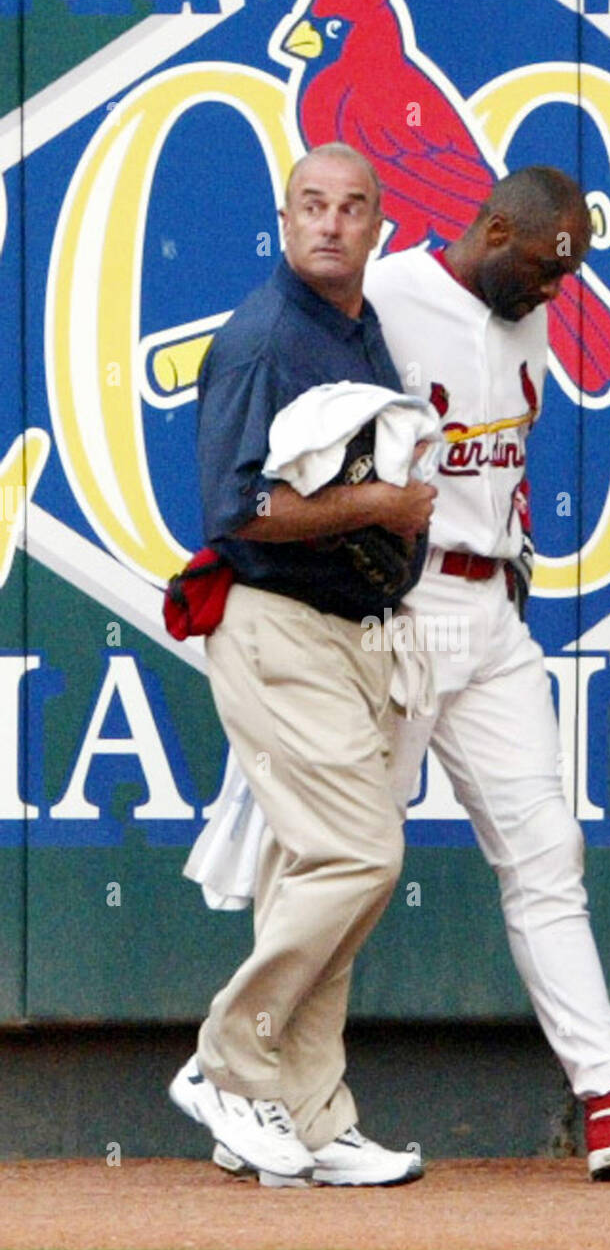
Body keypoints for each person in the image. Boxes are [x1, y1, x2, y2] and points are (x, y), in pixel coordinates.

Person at [362, 166, 610, 1180]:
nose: (550, 293)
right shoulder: (388, 295)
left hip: (492, 611)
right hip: (404, 609)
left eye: (562, 278)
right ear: (493, 229)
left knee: (546, 849)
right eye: (539, 269)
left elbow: (502, 461)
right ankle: (257, 1081)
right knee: (340, 858)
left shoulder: (520, 312)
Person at [168, 143, 436, 1187]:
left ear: (378, 224)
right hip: (272, 623)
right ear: (284, 219)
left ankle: (307, 1114)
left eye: (351, 207)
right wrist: (379, 505)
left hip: (346, 630)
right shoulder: (264, 337)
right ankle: (228, 1063)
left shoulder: (356, 328)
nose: (329, 223)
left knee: (310, 875)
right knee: (359, 857)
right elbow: (237, 509)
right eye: (310, 206)